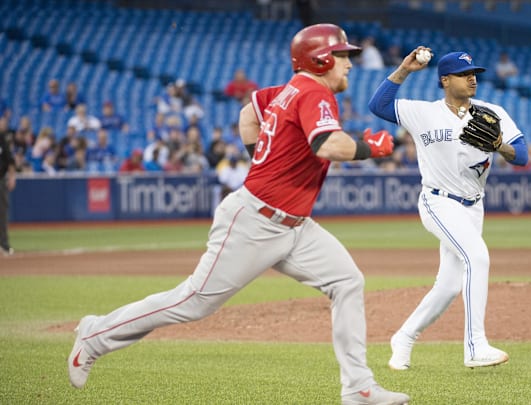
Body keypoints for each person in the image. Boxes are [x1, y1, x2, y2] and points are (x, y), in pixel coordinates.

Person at [67, 23, 409, 405]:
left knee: (347, 282)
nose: (349, 63)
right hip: (256, 221)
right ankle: (95, 335)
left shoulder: (287, 91)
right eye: (343, 55)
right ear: (321, 58)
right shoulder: (314, 91)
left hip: (295, 225)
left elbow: (249, 113)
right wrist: (371, 147)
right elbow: (328, 146)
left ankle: (358, 388)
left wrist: (262, 160)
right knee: (192, 302)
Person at [368, 48, 529, 370]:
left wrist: (499, 146)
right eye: (463, 74)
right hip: (438, 200)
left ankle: (404, 337)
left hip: (473, 207)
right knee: (478, 257)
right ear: (444, 80)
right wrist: (404, 69)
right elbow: (378, 105)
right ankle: (475, 346)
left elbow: (522, 155)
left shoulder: (491, 112)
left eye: (475, 74)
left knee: (449, 285)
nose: (472, 79)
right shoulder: (423, 112)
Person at [0, 118, 16, 256]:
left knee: (2, 212)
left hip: (0, 180)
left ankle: (4, 245)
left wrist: (11, 177)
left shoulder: (2, 139)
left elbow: (10, 160)